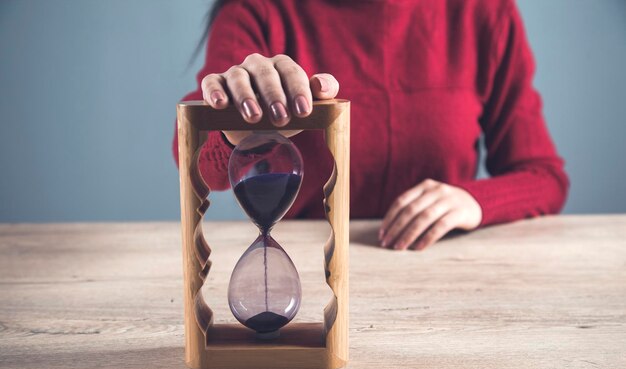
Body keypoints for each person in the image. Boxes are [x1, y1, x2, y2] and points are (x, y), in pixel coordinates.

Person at [173, 0, 569, 251]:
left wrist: (477, 200)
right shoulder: (258, 11)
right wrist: (231, 131)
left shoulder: (484, 12)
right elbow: (194, 160)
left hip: (442, 266)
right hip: (311, 254)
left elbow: (543, 176)